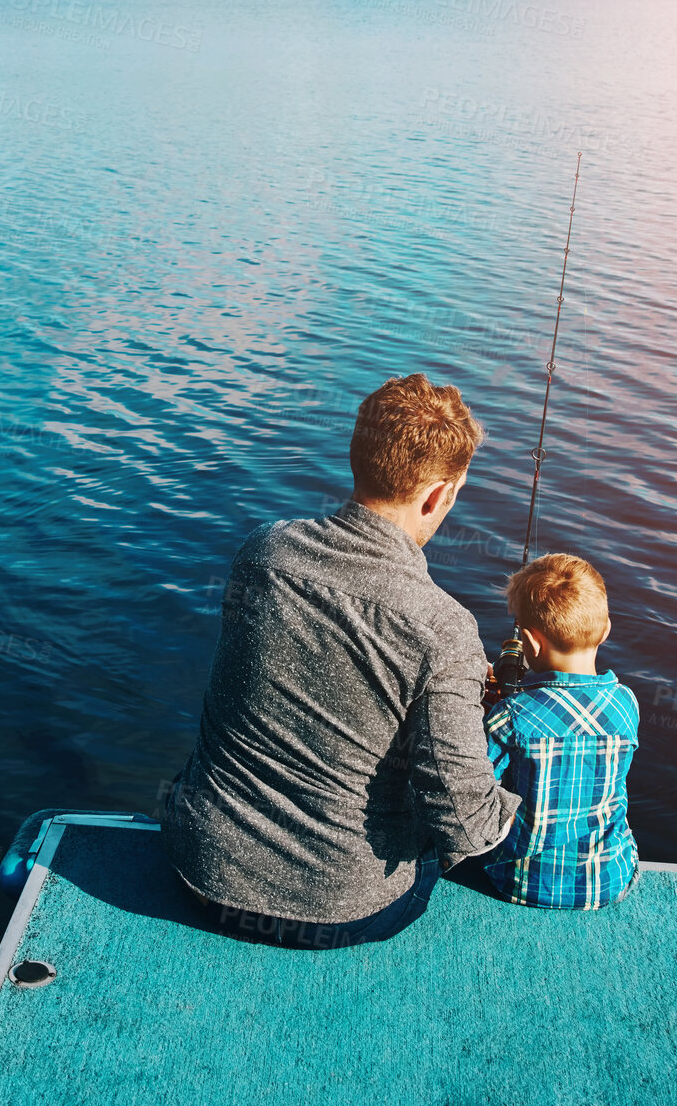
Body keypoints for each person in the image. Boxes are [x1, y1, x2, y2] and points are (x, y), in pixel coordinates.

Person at [160, 373, 521, 949]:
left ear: (359, 458)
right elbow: (465, 823)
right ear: (438, 495)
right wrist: (503, 794)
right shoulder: (444, 628)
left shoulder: (264, 551)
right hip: (341, 910)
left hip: (198, 869)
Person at [479, 554, 639, 908]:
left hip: (519, 881)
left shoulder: (511, 717)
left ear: (529, 644)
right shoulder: (626, 704)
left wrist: (485, 711)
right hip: (611, 880)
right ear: (606, 628)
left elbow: (472, 789)